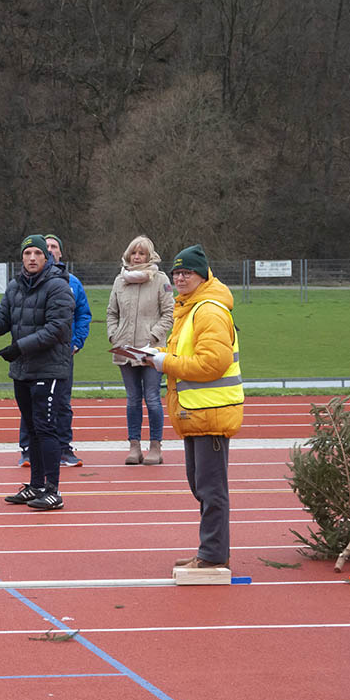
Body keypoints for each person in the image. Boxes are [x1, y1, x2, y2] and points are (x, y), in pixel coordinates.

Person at [146, 245, 243, 570]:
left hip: (211, 414)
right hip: (196, 413)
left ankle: (213, 556)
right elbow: (189, 353)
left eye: (187, 272)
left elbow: (213, 363)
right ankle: (210, 551)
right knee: (201, 487)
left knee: (211, 491)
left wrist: (164, 362)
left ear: (202, 275)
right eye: (176, 273)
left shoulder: (209, 311)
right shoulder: (189, 309)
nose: (180, 277)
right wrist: (156, 353)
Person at [0, 235, 74, 511]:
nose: (31, 258)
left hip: (49, 367)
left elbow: (58, 329)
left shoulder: (58, 287)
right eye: (27, 253)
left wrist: (20, 347)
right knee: (31, 429)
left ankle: (53, 490)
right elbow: (2, 320)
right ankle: (35, 486)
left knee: (46, 427)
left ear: (47, 257)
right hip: (22, 369)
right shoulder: (15, 287)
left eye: (37, 253)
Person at [16, 235, 90, 468]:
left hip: (61, 353)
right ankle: (28, 449)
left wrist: (76, 342)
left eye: (53, 247)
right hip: (33, 353)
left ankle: (64, 448)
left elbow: (83, 314)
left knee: (62, 401)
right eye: (43, 247)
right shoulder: (25, 281)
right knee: (30, 401)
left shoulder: (72, 282)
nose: (48, 251)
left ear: (59, 253)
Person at [107, 236, 175, 465]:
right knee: (133, 399)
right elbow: (111, 313)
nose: (137, 257)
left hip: (151, 350)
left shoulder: (160, 280)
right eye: (134, 253)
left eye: (142, 253)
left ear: (149, 256)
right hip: (125, 348)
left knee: (153, 398)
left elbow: (169, 313)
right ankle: (134, 447)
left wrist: (153, 336)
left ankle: (155, 446)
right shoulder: (119, 281)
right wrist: (114, 335)